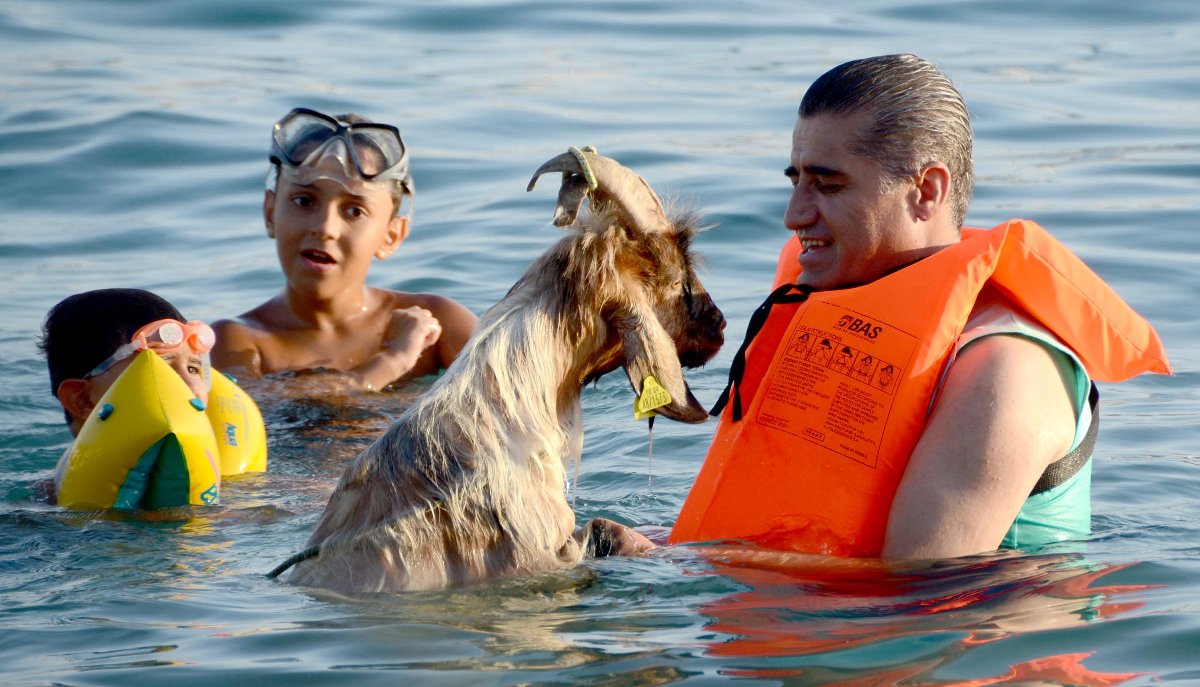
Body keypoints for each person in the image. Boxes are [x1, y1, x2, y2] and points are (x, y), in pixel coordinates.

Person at [670, 54, 1171, 560]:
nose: (793, 214)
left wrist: (671, 566)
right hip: (800, 617)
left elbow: (920, 593)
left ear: (926, 191)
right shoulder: (834, 314)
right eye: (795, 180)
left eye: (828, 184)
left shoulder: (1005, 372)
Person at [211, 108, 476, 391]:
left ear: (391, 235)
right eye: (304, 201)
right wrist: (394, 359)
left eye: (354, 211)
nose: (325, 228)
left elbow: (517, 405)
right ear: (270, 212)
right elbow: (257, 413)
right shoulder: (235, 342)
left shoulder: (439, 322)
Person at [39, 288, 214, 500]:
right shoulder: (50, 499)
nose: (188, 385)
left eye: (193, 369)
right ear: (83, 399)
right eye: (161, 369)